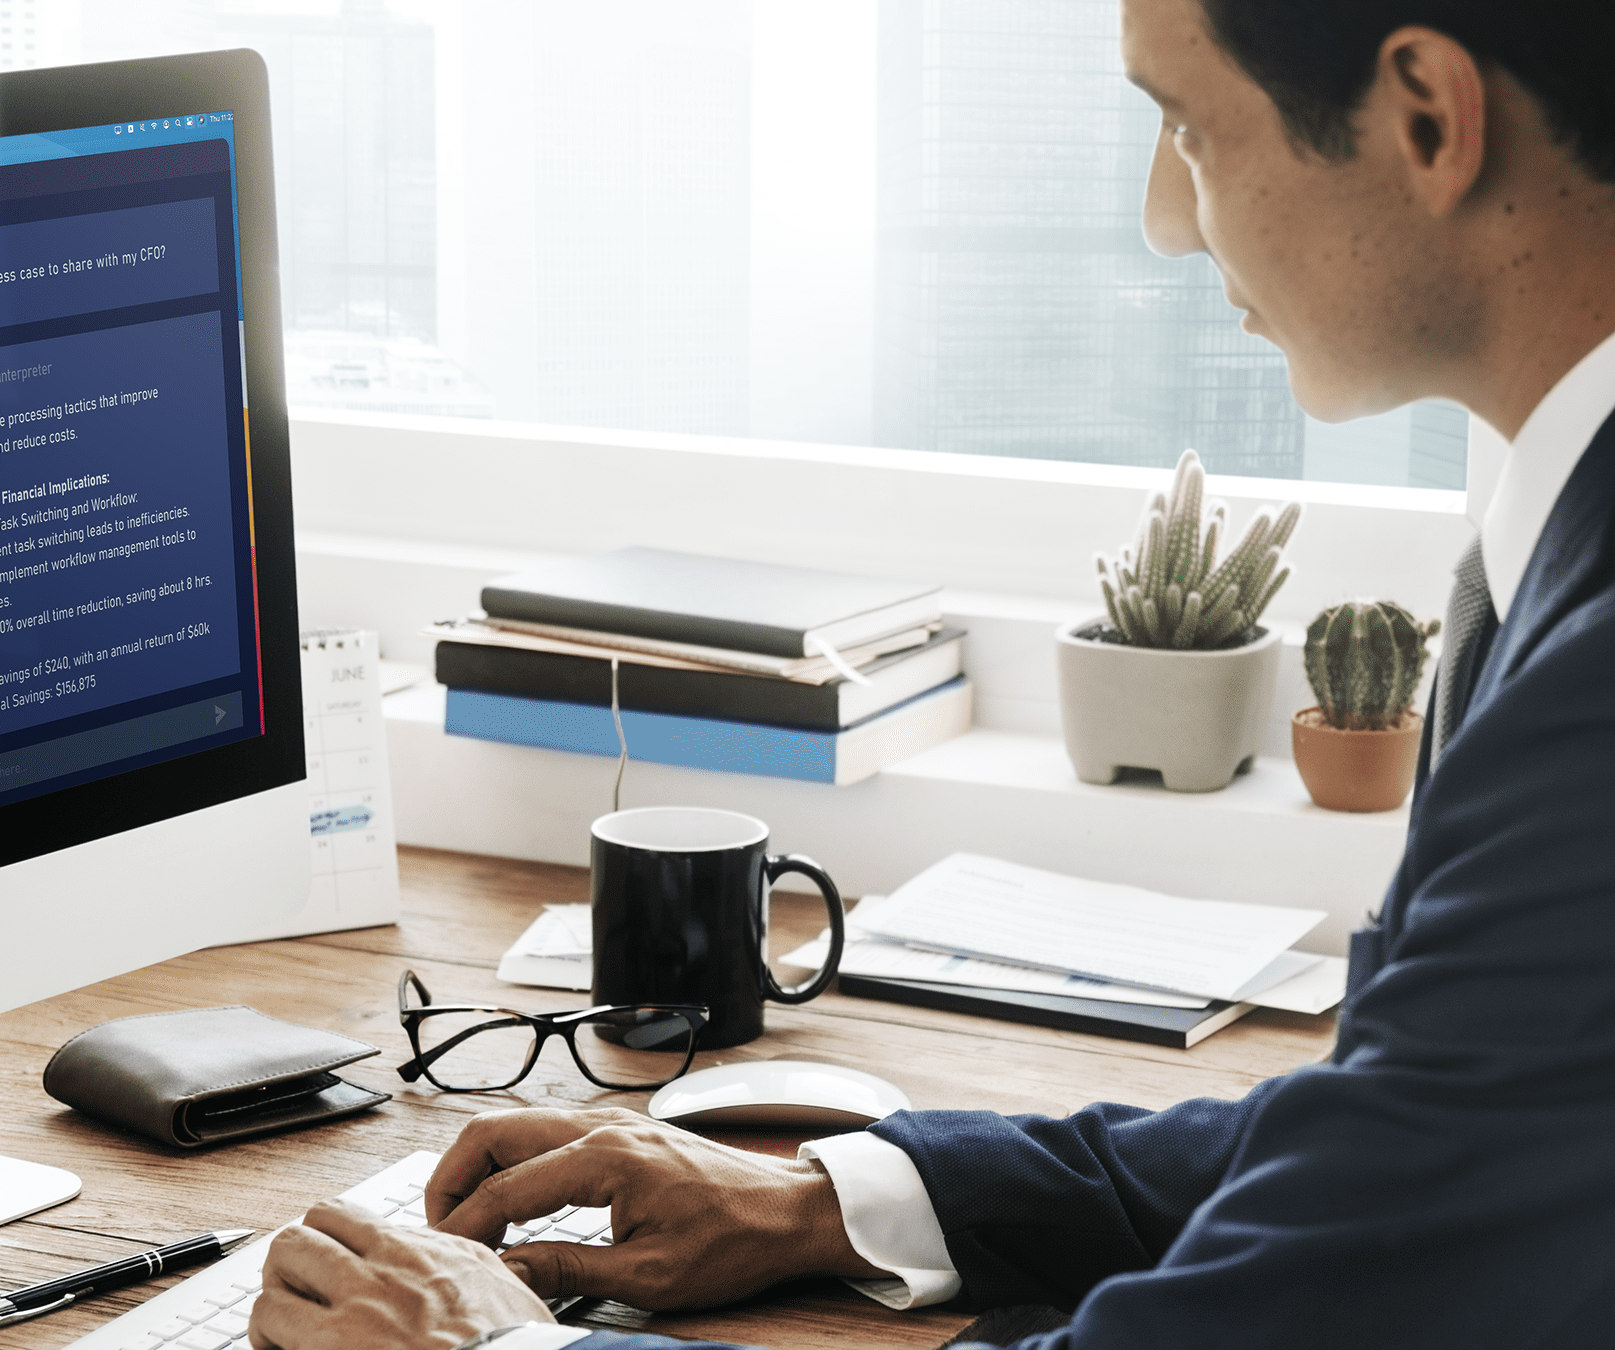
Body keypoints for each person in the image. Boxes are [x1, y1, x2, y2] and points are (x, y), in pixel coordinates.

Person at [245, 0, 1615, 1346]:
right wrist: (823, 1201)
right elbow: (1402, 1141)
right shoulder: (1554, 536)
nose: (1165, 216)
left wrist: (502, 1348)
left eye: (1188, 126)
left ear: (1430, 118)